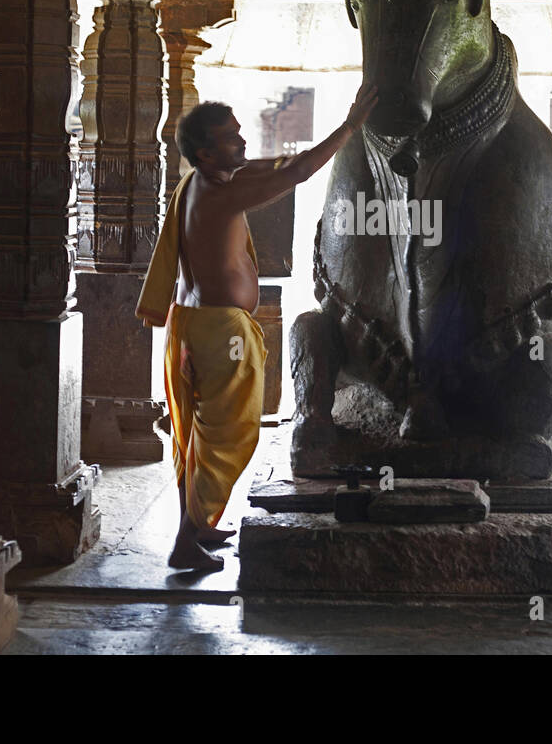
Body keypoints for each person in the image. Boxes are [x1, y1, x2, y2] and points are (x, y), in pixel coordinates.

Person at [135, 85, 379, 572]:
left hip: (192, 327)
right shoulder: (221, 192)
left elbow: (270, 165)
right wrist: (351, 126)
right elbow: (298, 171)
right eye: (231, 138)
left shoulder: (200, 182)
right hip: (217, 332)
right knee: (229, 435)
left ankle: (199, 527)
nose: (242, 143)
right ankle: (186, 541)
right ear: (206, 153)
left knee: (196, 439)